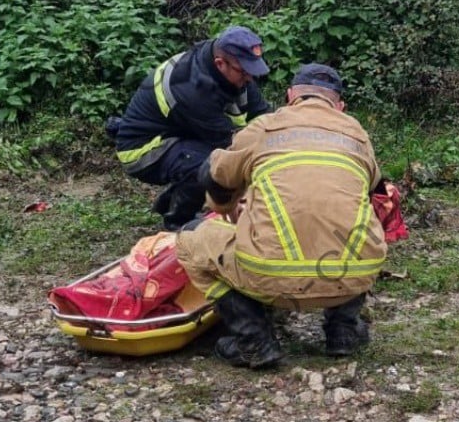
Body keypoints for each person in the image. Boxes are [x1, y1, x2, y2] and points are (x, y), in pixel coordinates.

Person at [175, 63, 386, 369]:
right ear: (340, 106)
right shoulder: (358, 135)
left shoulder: (265, 127)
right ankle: (344, 331)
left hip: (270, 275)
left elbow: (216, 173)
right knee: (349, 224)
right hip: (353, 273)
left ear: (290, 97)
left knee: (190, 239)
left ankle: (253, 339)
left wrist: (224, 208)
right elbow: (365, 191)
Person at [109, 26, 272, 230]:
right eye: (245, 72)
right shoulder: (193, 90)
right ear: (220, 64)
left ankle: (172, 200)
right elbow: (232, 147)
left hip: (181, 134)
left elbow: (264, 116)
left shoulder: (228, 66)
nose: (250, 78)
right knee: (210, 164)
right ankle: (179, 223)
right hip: (142, 149)